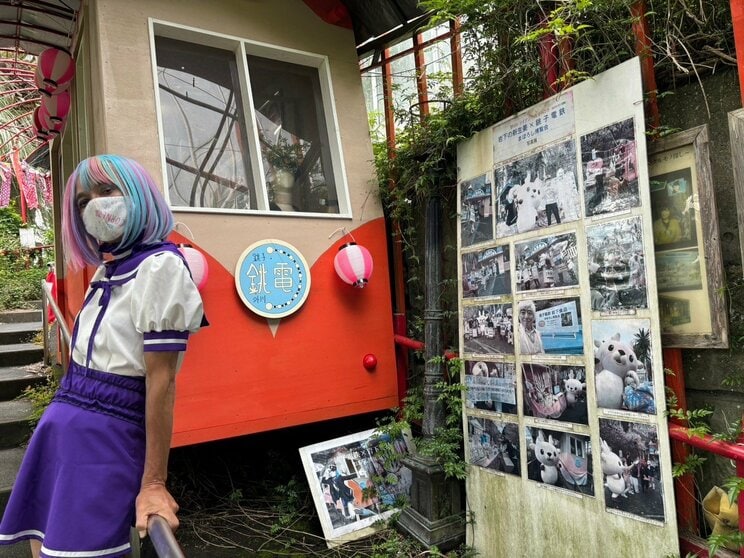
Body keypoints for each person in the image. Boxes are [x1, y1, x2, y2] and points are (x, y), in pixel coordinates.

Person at [0, 155, 206, 558]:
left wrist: (153, 483)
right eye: (82, 201)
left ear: (137, 195)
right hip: (61, 432)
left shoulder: (161, 267)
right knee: (41, 544)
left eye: (107, 191)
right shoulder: (106, 271)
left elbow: (161, 382)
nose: (94, 205)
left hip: (104, 443)